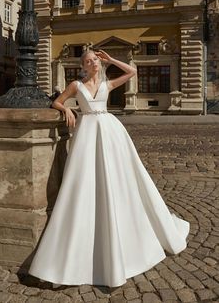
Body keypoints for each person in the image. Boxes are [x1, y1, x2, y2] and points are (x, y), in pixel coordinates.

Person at [28, 50, 190, 288]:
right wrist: (67, 110)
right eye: (88, 60)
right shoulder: (75, 84)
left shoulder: (107, 83)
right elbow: (56, 101)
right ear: (82, 65)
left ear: (99, 63)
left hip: (110, 132)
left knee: (118, 178)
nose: (92, 62)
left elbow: (132, 72)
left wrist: (112, 60)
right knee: (83, 182)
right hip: (87, 133)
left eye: (95, 59)